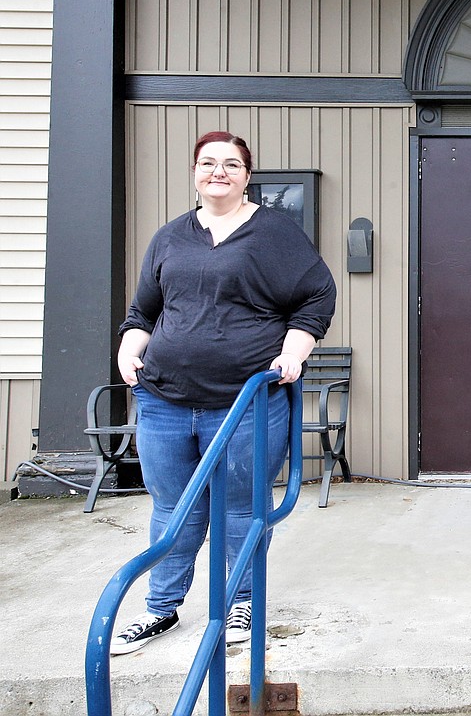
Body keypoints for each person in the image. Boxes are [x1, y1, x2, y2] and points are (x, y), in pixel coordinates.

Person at [110, 131, 336, 655]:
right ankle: (160, 609)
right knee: (172, 508)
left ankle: (242, 602)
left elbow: (316, 296)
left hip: (245, 401)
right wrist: (128, 350)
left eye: (231, 164)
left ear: (246, 175)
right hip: (164, 399)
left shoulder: (274, 233)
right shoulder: (170, 237)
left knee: (239, 507)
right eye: (208, 163)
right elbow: (143, 311)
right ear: (194, 172)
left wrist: (294, 352)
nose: (219, 172)